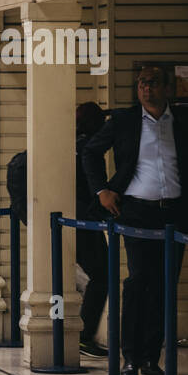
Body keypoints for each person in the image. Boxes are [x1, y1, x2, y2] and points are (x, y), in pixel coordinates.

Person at [82, 63, 188, 375]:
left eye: (152, 83)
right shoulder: (124, 121)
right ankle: (130, 357)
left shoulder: (185, 121)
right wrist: (102, 191)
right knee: (138, 281)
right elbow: (90, 152)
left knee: (165, 285)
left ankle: (152, 358)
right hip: (137, 210)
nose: (145, 89)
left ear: (167, 88)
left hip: (175, 213)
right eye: (141, 83)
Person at [75, 101, 109, 358]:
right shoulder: (90, 149)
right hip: (85, 222)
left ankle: (82, 335)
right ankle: (84, 336)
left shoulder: (71, 145)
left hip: (73, 220)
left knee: (96, 275)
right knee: (102, 275)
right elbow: (92, 189)